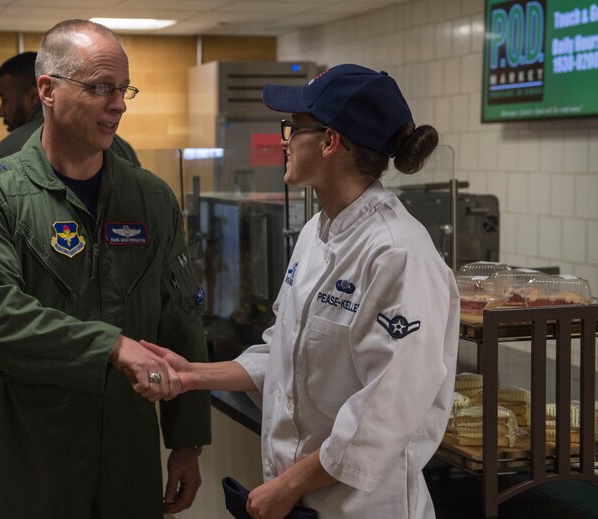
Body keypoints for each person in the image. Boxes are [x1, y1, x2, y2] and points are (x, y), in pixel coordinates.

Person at [140, 64, 460, 519]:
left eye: (293, 128)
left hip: (363, 506)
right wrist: (193, 374)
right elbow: (286, 352)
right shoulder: (316, 232)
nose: (284, 140)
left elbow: (385, 410)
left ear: (330, 142)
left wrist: (288, 486)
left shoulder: (397, 254)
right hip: (302, 498)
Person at [0, 19, 210, 518]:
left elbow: (180, 320)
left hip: (128, 455)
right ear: (47, 90)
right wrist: (109, 346)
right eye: (100, 88)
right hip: (34, 453)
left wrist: (187, 440)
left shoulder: (150, 199)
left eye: (123, 89)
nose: (119, 104)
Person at [0, 50, 140, 166]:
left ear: (34, 97)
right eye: (101, 88)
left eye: (4, 100)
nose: (1, 112)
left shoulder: (11, 150)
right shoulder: (122, 147)